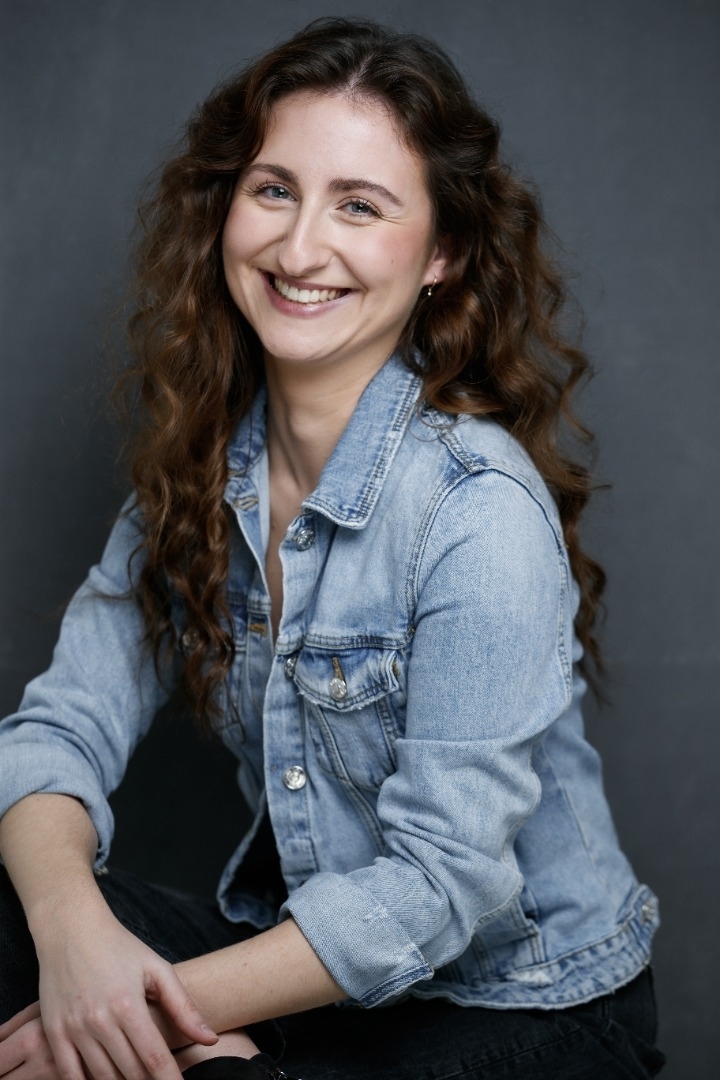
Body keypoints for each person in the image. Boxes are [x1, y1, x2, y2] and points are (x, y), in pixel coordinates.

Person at [0, 16, 665, 1080]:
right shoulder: (201, 474)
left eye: (359, 206)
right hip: (313, 980)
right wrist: (75, 946)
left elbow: (440, 885)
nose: (300, 249)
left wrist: (139, 1016)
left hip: (524, 1004)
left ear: (442, 253)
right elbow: (55, 734)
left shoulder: (476, 509)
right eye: (274, 190)